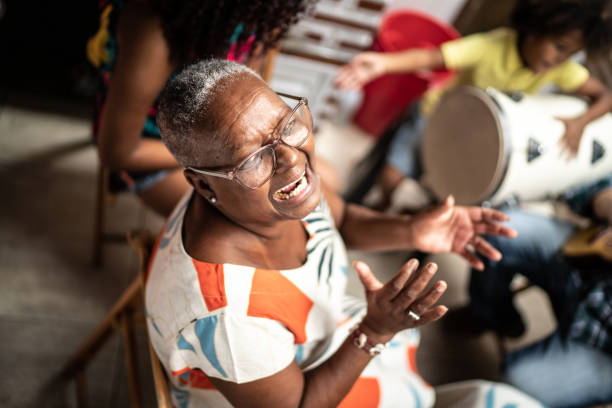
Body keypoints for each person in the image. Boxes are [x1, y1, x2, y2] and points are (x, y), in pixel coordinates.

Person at [143, 59, 537, 408]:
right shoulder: (228, 319)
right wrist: (374, 332)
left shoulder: (252, 198)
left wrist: (414, 229)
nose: (292, 159)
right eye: (253, 158)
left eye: (286, 124)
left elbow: (340, 217)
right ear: (204, 185)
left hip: (328, 340)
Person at [336, 0, 612, 211]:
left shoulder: (558, 70)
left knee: (451, 194)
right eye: (559, 47)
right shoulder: (491, 46)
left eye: (572, 55)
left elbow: (606, 96)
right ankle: (381, 206)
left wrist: (580, 122)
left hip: (472, 138)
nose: (561, 59)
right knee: (391, 178)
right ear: (537, 28)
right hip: (433, 117)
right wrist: (383, 63)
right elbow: (433, 57)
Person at [86, 0, 325, 216]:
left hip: (232, 153)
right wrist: (226, 160)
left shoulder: (254, 17)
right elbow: (117, 154)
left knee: (327, 184)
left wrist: (255, 151)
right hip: (152, 156)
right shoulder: (154, 27)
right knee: (276, 216)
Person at [467, 176, 612, 407]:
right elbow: (583, 188)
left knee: (515, 389)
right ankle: (494, 316)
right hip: (584, 261)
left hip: (601, 347)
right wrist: (607, 202)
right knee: (498, 228)